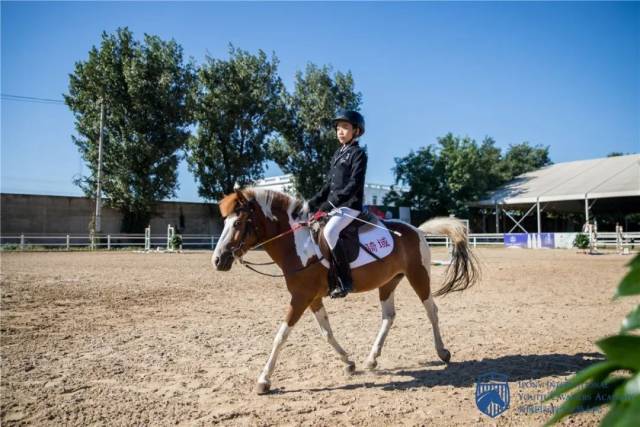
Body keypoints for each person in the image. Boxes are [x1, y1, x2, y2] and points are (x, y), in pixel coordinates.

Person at [308, 109, 368, 299]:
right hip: (336, 206)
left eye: (345, 127)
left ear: (356, 131)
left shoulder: (358, 154)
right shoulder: (337, 155)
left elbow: (353, 185)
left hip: (350, 206)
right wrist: (312, 203)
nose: (340, 131)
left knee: (330, 231)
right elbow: (328, 186)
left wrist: (329, 205)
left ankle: (345, 280)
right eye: (338, 128)